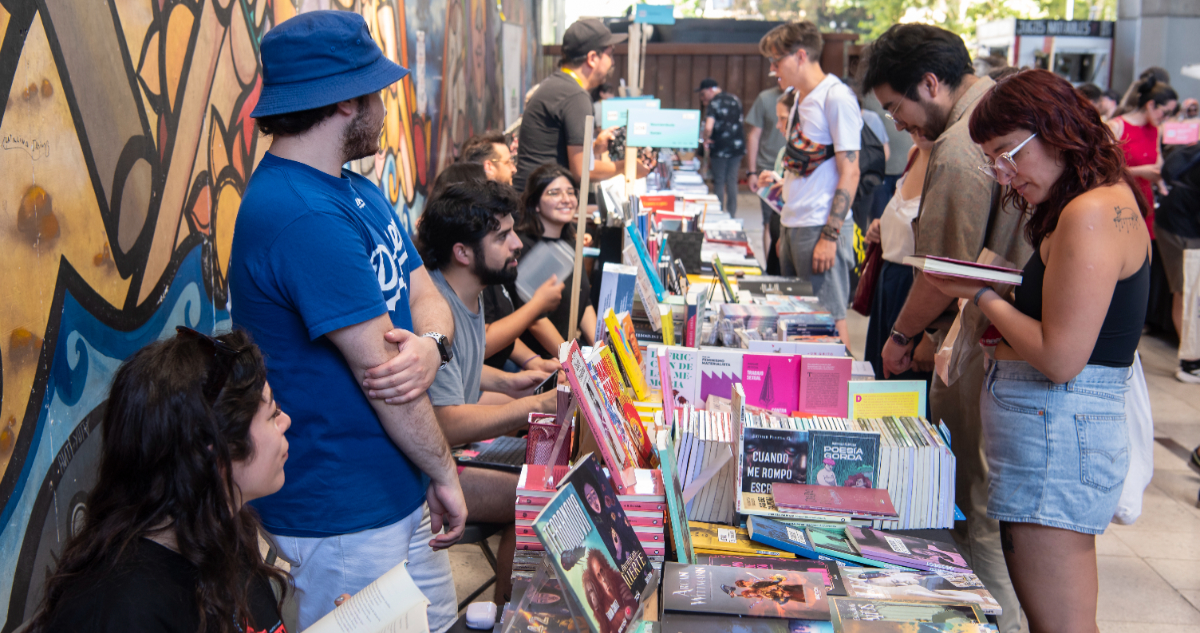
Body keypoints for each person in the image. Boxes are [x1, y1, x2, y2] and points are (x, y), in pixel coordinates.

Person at [228, 11, 463, 631]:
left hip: (396, 488)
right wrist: (445, 471)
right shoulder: (300, 212)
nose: (386, 107)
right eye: (379, 93)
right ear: (345, 102)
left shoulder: (356, 191)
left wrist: (434, 345)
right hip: (340, 515)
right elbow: (382, 373)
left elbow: (425, 293)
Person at [922, 68, 1150, 633]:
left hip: (1060, 432)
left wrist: (978, 293)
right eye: (993, 160)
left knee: (1062, 623)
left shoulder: (1091, 211)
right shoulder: (1089, 202)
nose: (1004, 175)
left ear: (1054, 131)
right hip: (1055, 431)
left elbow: (1061, 356)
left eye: (1007, 154)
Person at [862, 24, 1032, 633]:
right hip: (998, 344)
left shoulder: (964, 143)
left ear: (930, 83)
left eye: (897, 107)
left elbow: (944, 272)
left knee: (973, 509)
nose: (900, 123)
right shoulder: (991, 121)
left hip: (982, 350)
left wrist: (903, 337)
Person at [28, 329, 290, 633]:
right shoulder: (120, 612)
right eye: (272, 414)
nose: (286, 422)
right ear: (214, 449)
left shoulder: (222, 532)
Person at [416, 181, 558, 605]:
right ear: (462, 252)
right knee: (541, 500)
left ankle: (504, 607)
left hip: (449, 455)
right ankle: (506, 615)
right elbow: (446, 421)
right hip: (431, 470)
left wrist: (510, 383)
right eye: (502, 236)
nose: (517, 243)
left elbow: (458, 375)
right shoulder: (438, 309)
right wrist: (530, 406)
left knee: (545, 473)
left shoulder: (468, 293)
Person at [759, 21, 861, 351]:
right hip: (794, 225)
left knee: (831, 322)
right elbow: (807, 167)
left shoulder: (836, 97)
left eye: (777, 61)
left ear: (801, 55)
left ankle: (845, 395)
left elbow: (851, 171)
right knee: (800, 321)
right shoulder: (798, 98)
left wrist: (829, 237)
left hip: (820, 227)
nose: (773, 70)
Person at [514, 19, 649, 192]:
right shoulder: (575, 96)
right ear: (592, 58)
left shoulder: (558, 86)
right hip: (539, 206)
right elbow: (582, 171)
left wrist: (594, 148)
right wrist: (626, 166)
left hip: (534, 199)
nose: (613, 62)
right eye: (610, 54)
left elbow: (556, 154)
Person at [864, 130, 935, 384]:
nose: (903, 123)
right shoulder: (914, 154)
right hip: (889, 280)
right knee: (880, 377)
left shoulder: (950, 164)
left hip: (916, 286)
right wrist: (882, 226)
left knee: (903, 381)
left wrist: (930, 337)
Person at [511, 164, 597, 357]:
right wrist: (572, 361)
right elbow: (535, 320)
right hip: (535, 362)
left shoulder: (571, 243)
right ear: (536, 203)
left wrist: (602, 348)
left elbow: (583, 301)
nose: (566, 200)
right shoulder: (522, 248)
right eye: (554, 193)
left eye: (570, 192)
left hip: (565, 356)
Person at [1154, 140, 1200, 382]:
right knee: (1184, 290)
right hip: (1179, 227)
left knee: (1189, 290)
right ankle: (1189, 361)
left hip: (1179, 221)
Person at [1108, 77, 1177, 234]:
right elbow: (1103, 171)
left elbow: (1157, 163)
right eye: (1165, 112)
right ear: (1151, 104)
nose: (1165, 118)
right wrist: (1140, 171)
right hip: (1119, 203)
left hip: (1145, 203)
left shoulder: (1155, 130)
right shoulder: (1116, 127)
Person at [745, 79, 786, 259]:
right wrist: (752, 171)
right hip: (768, 166)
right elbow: (754, 136)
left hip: (792, 170)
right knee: (770, 222)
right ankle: (770, 265)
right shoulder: (765, 98)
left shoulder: (805, 99)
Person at [699, 78, 746, 218]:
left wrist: (705, 138)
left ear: (710, 90)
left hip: (719, 147)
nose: (702, 99)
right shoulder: (735, 99)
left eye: (703, 94)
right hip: (737, 147)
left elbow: (708, 126)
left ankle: (718, 213)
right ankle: (732, 214)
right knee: (732, 180)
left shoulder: (714, 102)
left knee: (719, 181)